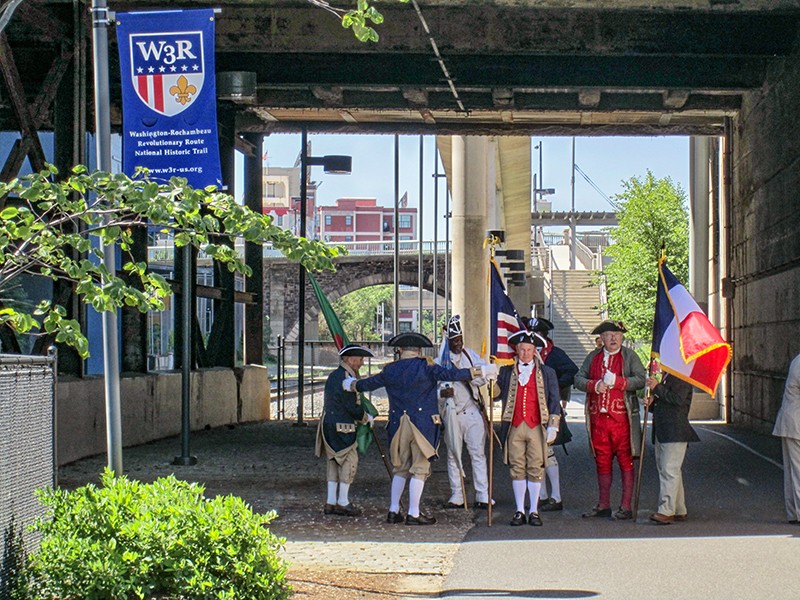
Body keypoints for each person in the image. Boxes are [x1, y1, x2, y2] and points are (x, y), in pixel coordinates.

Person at [345, 331, 498, 525]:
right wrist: (481, 371)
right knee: (420, 468)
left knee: (400, 468)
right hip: (421, 425)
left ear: (400, 351)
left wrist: (352, 384)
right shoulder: (426, 367)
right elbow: (452, 374)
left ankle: (394, 510)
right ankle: (414, 513)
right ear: (418, 350)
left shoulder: (390, 369)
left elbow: (369, 384)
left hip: (398, 424)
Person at [574, 320, 646, 520]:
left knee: (626, 461)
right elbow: (578, 379)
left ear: (622, 337)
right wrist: (593, 385)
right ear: (602, 338)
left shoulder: (630, 357)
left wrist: (619, 382)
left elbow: (640, 379)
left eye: (617, 334)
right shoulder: (593, 357)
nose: (613, 338)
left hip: (622, 420)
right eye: (609, 334)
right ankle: (604, 504)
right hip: (599, 421)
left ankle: (625, 506)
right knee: (602, 462)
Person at [496, 330, 562, 526]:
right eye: (522, 350)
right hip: (514, 426)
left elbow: (554, 401)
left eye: (529, 350)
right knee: (517, 468)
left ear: (535, 351)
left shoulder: (546, 372)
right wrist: (489, 382)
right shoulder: (507, 372)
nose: (525, 353)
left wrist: (553, 425)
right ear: (516, 350)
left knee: (536, 467)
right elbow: (496, 396)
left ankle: (533, 510)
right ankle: (519, 510)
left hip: (536, 426)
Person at [436, 315, 493, 509]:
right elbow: (432, 391)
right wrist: (442, 393)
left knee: (478, 454)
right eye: (455, 341)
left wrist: (471, 374)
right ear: (448, 341)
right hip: (451, 414)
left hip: (471, 411)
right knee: (453, 455)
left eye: (460, 340)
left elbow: (483, 375)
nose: (459, 343)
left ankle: (483, 494)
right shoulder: (439, 361)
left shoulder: (470, 356)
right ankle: (457, 494)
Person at [315, 343, 376, 517]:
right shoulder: (345, 379)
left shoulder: (335, 375)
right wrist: (366, 417)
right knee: (349, 461)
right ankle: (343, 501)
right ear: (350, 360)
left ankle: (330, 501)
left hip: (327, 424)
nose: (362, 363)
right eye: (360, 359)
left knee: (333, 462)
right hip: (343, 427)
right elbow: (351, 406)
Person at [526, 317, 578, 512]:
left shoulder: (554, 354)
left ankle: (555, 496)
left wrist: (555, 384)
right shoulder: (525, 354)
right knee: (533, 455)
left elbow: (572, 371)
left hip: (549, 408)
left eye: (537, 333)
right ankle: (542, 495)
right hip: (530, 409)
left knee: (548, 454)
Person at [644, 366, 700, 524]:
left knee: (669, 470)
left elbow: (678, 400)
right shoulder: (669, 375)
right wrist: (653, 402)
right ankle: (679, 508)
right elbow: (666, 402)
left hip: (674, 429)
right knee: (669, 470)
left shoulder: (681, 375)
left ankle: (666, 510)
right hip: (665, 429)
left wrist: (657, 388)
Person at [773, 353, 800, 525]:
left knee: (793, 471)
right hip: (796, 423)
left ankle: (793, 512)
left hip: (791, 421)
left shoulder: (797, 360)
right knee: (797, 470)